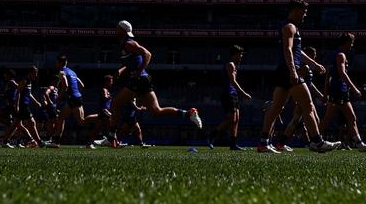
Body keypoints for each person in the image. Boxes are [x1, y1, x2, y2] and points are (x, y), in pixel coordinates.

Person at [257, 0, 339, 154]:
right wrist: (293, 71)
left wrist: (314, 64)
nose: (305, 15)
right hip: (289, 71)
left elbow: (297, 51)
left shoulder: (291, 27)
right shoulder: (289, 27)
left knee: (276, 108)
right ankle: (317, 142)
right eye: (304, 11)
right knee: (308, 105)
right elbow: (287, 50)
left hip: (284, 70)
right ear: (295, 10)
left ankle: (263, 143)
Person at [108, 20, 202, 148]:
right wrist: (122, 70)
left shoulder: (129, 43)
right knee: (156, 111)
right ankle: (188, 113)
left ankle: (112, 137)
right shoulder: (125, 44)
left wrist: (138, 71)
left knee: (115, 103)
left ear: (122, 30)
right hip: (144, 79)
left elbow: (147, 54)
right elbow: (132, 62)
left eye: (117, 27)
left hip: (139, 79)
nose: (115, 29)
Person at [320, 33, 366, 150]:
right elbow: (342, 73)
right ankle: (314, 140)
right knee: (329, 118)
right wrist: (354, 88)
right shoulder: (340, 55)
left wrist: (325, 93)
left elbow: (329, 74)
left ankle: (359, 144)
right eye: (351, 42)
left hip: (341, 91)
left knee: (351, 117)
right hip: (338, 91)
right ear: (346, 42)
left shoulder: (337, 54)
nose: (352, 45)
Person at [210, 45, 251, 150]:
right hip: (227, 94)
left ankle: (233, 145)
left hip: (233, 94)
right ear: (235, 54)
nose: (241, 56)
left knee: (236, 119)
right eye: (240, 54)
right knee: (231, 119)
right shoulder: (230, 65)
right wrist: (244, 93)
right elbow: (233, 81)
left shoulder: (235, 65)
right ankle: (212, 135)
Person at [282, 46, 323, 146]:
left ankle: (281, 143)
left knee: (297, 121)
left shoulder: (308, 68)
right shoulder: (302, 66)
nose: (314, 58)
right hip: (302, 98)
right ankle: (316, 142)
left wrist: (319, 95)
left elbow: (310, 84)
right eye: (312, 56)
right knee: (300, 120)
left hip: (306, 98)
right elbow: (295, 82)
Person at [1, 66, 45, 148]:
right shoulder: (25, 80)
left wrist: (36, 102)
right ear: (31, 73)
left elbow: (28, 94)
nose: (36, 76)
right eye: (35, 74)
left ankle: (5, 141)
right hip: (22, 105)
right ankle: (39, 142)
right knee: (32, 123)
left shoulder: (29, 82)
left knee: (15, 125)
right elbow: (18, 92)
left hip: (24, 105)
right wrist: (17, 105)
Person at [54, 54, 88, 145]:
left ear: (59, 63)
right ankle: (100, 117)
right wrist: (76, 92)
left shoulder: (62, 72)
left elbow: (65, 86)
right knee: (82, 121)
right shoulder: (72, 72)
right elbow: (82, 85)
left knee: (61, 118)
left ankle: (56, 142)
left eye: (56, 62)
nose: (56, 64)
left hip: (73, 98)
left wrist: (58, 97)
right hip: (78, 97)